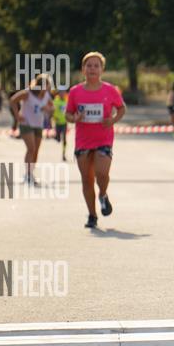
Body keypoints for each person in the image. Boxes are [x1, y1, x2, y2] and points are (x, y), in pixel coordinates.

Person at [66, 52, 126, 229]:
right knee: (87, 179)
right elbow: (68, 114)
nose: (92, 69)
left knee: (102, 173)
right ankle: (92, 215)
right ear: (83, 69)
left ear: (102, 69)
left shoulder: (110, 90)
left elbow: (121, 108)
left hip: (103, 139)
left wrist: (112, 120)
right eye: (89, 65)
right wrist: (74, 118)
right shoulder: (75, 91)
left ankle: (103, 194)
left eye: (96, 65)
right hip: (83, 141)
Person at [10, 74, 54, 185]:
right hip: (26, 124)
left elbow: (52, 108)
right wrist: (17, 116)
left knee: (36, 151)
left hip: (38, 125)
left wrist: (48, 109)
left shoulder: (46, 96)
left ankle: (31, 173)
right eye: (45, 85)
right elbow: (13, 100)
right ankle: (28, 174)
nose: (47, 88)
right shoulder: (27, 93)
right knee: (31, 148)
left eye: (48, 85)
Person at [52, 89, 69, 161]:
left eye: (64, 93)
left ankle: (63, 154)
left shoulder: (67, 100)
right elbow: (52, 110)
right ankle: (56, 137)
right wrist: (54, 117)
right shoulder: (56, 101)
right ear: (59, 93)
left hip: (64, 122)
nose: (62, 94)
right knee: (58, 139)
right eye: (61, 93)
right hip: (57, 122)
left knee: (64, 139)